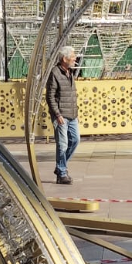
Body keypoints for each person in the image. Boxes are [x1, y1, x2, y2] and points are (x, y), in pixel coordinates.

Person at [46, 45, 80, 185]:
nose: (75, 59)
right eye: (72, 56)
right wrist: (57, 114)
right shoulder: (55, 73)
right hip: (61, 115)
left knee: (75, 140)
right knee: (63, 144)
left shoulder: (70, 72)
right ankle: (62, 173)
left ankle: (60, 166)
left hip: (72, 115)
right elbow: (50, 96)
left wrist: (76, 112)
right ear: (64, 59)